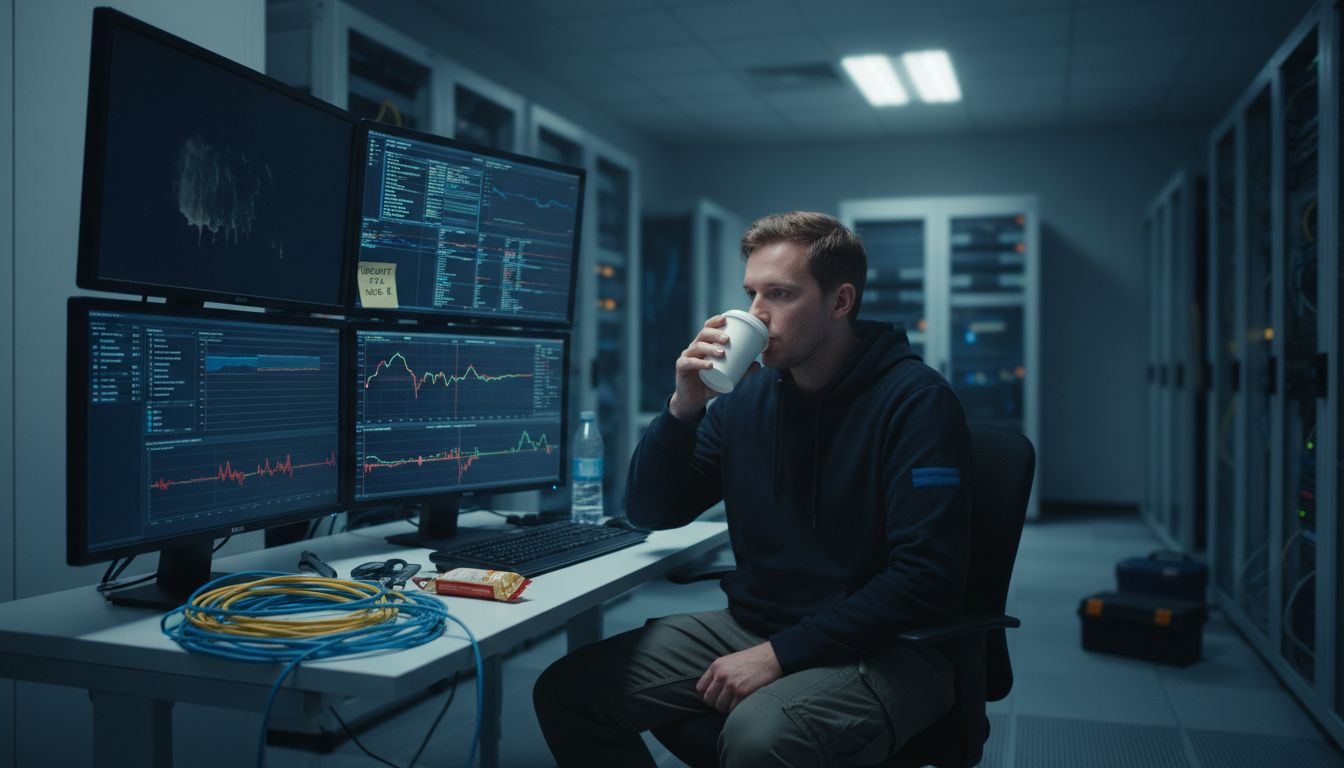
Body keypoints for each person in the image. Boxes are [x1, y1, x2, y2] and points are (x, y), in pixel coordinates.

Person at [533, 211, 972, 767]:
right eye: (750, 293)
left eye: (780, 294)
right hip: (758, 626)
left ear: (840, 302)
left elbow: (926, 581)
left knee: (756, 736)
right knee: (569, 691)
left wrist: (779, 656)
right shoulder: (746, 400)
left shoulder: (915, 402)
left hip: (892, 647)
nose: (755, 315)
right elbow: (654, 511)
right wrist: (684, 407)